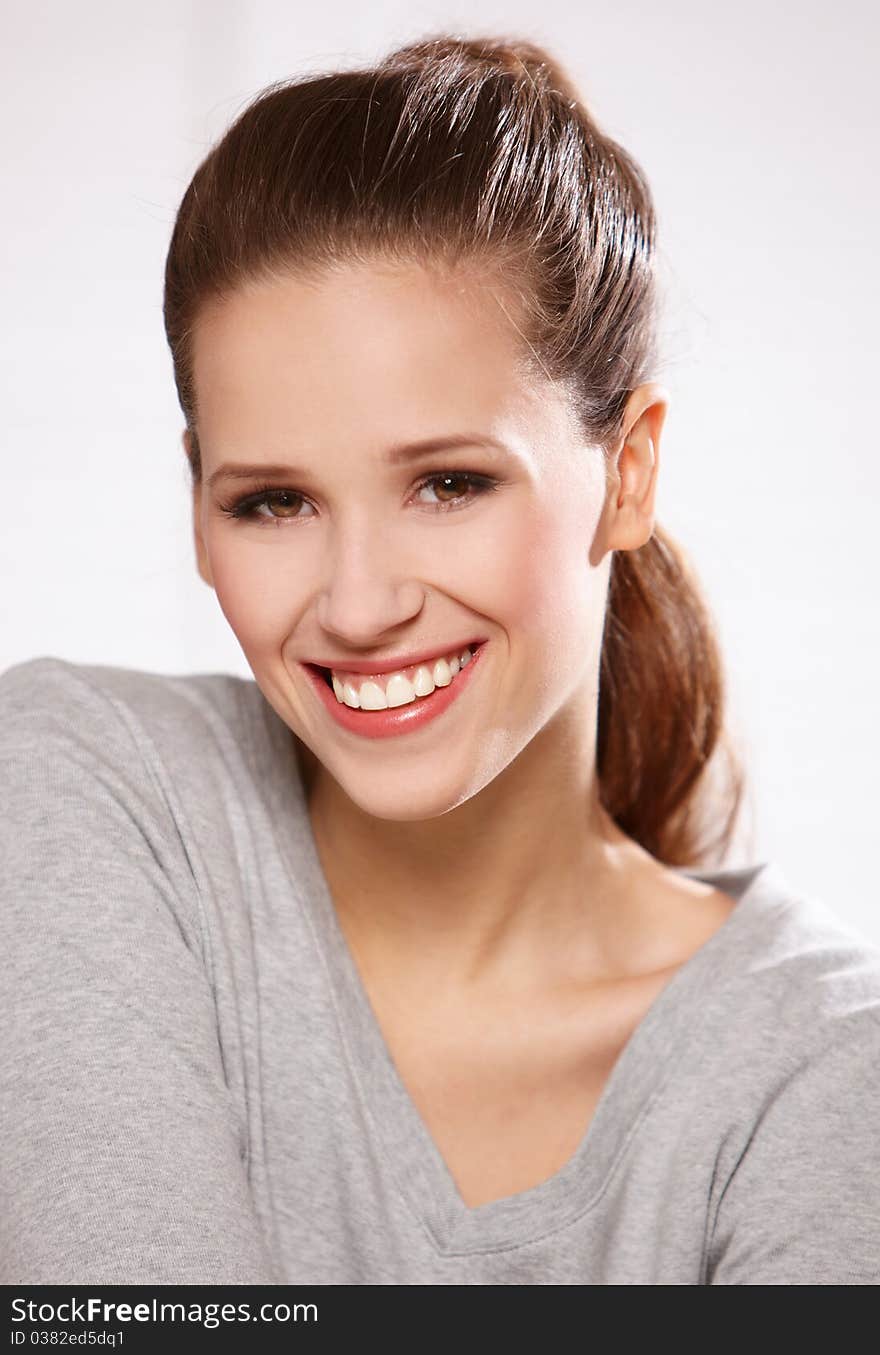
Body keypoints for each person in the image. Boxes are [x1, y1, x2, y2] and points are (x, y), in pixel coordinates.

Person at [2, 32, 879, 1287]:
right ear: (196, 506)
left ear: (627, 470)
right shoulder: (87, 791)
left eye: (448, 483)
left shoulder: (822, 1072)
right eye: (273, 503)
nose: (358, 606)